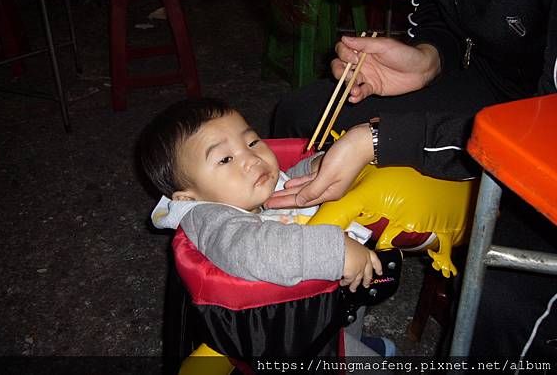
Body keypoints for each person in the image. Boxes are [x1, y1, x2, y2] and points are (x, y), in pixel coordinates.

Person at [248, 0, 557, 357]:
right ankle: (327, 312)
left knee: (506, 299)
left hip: (547, 141)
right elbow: (447, 13)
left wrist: (381, 140)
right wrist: (430, 59)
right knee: (304, 115)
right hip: (498, 88)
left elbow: (545, 132)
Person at [139, 97, 395, 357]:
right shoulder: (207, 217)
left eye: (252, 142)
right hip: (292, 329)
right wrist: (334, 252)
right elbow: (250, 249)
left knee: (352, 307)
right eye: (225, 159)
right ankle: (347, 348)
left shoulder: (245, 188)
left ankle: (348, 336)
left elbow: (288, 184)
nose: (251, 158)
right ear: (189, 197)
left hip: (336, 296)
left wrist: (318, 167)